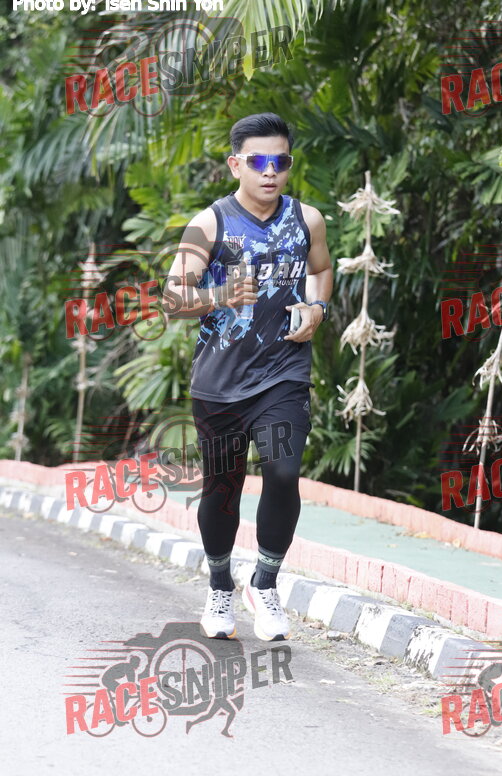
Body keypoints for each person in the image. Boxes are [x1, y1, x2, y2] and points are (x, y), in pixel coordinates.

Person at [164, 112, 333, 642]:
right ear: (236, 164)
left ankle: (265, 582)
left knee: (282, 473)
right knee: (223, 487)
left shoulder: (307, 220)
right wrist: (220, 295)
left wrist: (318, 310)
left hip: (283, 373)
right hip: (220, 383)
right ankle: (220, 584)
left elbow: (322, 271)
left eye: (280, 161)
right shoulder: (209, 224)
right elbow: (173, 298)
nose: (270, 171)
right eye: (258, 161)